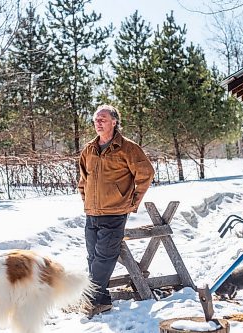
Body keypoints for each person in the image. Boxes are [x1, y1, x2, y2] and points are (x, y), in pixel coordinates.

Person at [78, 104, 155, 318]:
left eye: (103, 118)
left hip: (114, 213)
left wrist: (132, 202)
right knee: (93, 257)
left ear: (114, 121)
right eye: (96, 119)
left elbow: (146, 173)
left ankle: (91, 300)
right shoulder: (89, 149)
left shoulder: (128, 148)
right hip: (92, 213)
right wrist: (87, 199)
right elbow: (83, 180)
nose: (98, 122)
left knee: (104, 257)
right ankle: (102, 301)